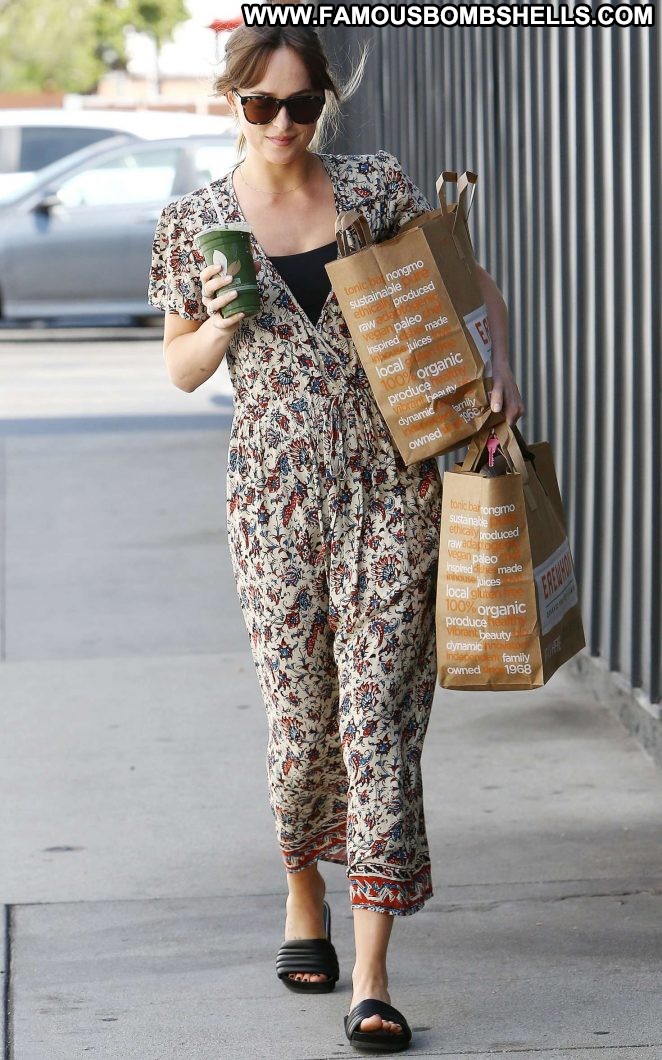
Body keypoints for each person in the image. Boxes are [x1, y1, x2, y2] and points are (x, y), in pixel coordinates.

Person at [148, 25, 524, 1054]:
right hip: (272, 508)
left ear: (325, 104)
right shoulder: (194, 222)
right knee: (301, 727)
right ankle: (301, 887)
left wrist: (495, 363)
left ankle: (371, 976)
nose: (283, 123)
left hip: (394, 492)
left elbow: (464, 281)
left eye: (302, 104)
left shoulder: (372, 188)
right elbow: (179, 366)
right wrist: (220, 322)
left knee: (379, 724)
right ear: (231, 102)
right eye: (261, 104)